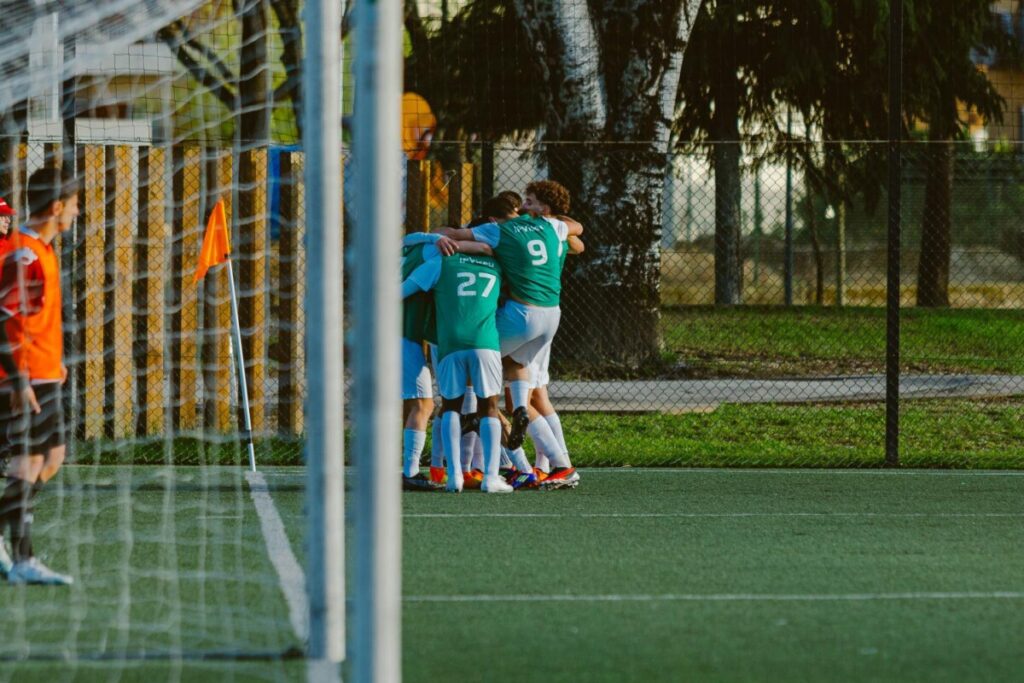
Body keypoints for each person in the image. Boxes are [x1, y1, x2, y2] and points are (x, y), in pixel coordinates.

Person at [440, 180, 583, 489]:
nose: (523, 207)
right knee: (519, 378)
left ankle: (473, 462)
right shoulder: (554, 228)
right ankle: (561, 464)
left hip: (521, 314)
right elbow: (578, 234)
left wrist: (436, 236)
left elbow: (456, 236)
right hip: (552, 315)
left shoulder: (500, 229)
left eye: (529, 201)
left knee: (473, 373)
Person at [0, 168, 78, 585]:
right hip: (28, 378)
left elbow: (36, 320)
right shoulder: (26, 254)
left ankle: (22, 557)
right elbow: (4, 319)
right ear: (58, 207)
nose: (78, 212)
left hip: (48, 373)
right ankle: (24, 559)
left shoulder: (44, 249)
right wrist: (19, 379)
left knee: (52, 459)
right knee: (28, 463)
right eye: (76, 204)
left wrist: (54, 363)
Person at [403, 246, 511, 493]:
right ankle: (491, 478)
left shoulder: (443, 262)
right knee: (489, 407)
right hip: (485, 342)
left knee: (451, 406)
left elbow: (403, 290)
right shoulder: (497, 264)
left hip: (450, 343)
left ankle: (454, 477)